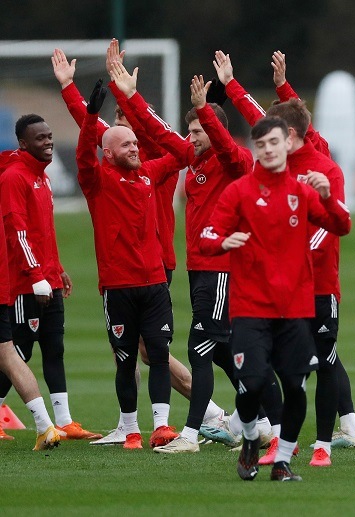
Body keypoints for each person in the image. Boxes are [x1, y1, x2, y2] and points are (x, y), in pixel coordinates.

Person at [51, 45, 231, 446]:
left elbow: (144, 134)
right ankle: (128, 424)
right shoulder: (120, 156)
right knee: (129, 349)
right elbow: (90, 131)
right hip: (126, 265)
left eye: (128, 123)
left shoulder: (154, 157)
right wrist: (70, 89)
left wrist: (127, 97)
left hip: (153, 261)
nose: (122, 131)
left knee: (152, 352)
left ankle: (212, 414)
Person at [106, 54, 277, 453]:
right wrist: (131, 98)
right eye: (191, 130)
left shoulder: (233, 161)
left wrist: (206, 109)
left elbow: (222, 142)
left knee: (198, 347)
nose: (193, 137)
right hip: (199, 269)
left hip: (222, 269)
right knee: (221, 350)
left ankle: (190, 434)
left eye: (198, 130)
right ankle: (263, 420)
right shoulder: (193, 159)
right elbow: (159, 133)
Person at [215, 49, 355, 451]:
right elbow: (267, 119)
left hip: (314, 284)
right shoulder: (265, 169)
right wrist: (231, 85)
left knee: (323, 358)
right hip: (270, 290)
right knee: (287, 365)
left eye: (277, 136)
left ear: (291, 137)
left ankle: (323, 441)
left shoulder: (321, 168)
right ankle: (280, 437)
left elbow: (335, 226)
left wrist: (293, 259)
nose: (268, 143)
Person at [199, 116, 351, 482]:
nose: (268, 150)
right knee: (251, 385)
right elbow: (205, 237)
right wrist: (222, 242)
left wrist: (329, 196)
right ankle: (251, 437)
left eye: (274, 143)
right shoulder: (239, 192)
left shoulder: (303, 192)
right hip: (250, 309)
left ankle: (282, 461)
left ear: (288, 144)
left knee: (296, 389)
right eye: (261, 144)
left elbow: (342, 226)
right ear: (256, 149)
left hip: (294, 311)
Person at [76, 79, 179, 450]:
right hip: (118, 286)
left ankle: (162, 427)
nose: (136, 148)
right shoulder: (98, 181)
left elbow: (181, 152)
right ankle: (130, 429)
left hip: (154, 284)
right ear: (109, 152)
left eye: (137, 143)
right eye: (128, 144)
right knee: (124, 361)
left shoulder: (149, 174)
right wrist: (90, 115)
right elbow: (83, 156)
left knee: (160, 354)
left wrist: (136, 101)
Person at [0, 115, 101, 442]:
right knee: (18, 353)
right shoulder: (14, 178)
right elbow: (18, 233)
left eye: (49, 136)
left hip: (48, 279)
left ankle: (65, 422)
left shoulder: (42, 178)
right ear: (23, 144)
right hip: (25, 283)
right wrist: (36, 277)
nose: (48, 142)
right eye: (40, 138)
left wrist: (56, 270)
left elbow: (43, 233)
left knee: (54, 349)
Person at [0, 191, 61, 450]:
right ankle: (45, 425)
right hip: (5, 288)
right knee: (9, 355)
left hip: (13, 285)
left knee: (12, 354)